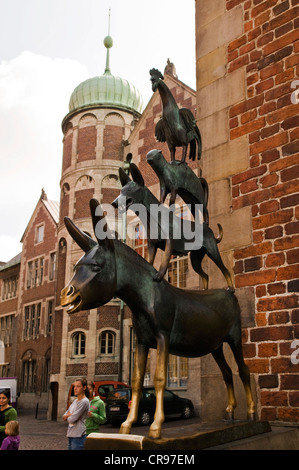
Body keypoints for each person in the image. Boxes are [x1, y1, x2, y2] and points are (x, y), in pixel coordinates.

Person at [63, 378, 89, 450]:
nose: (75, 388)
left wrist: (68, 415)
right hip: (70, 434)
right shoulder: (75, 401)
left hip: (78, 436)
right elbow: (64, 416)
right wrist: (68, 415)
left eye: (78, 386)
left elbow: (72, 419)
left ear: (84, 387)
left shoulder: (84, 402)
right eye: (74, 386)